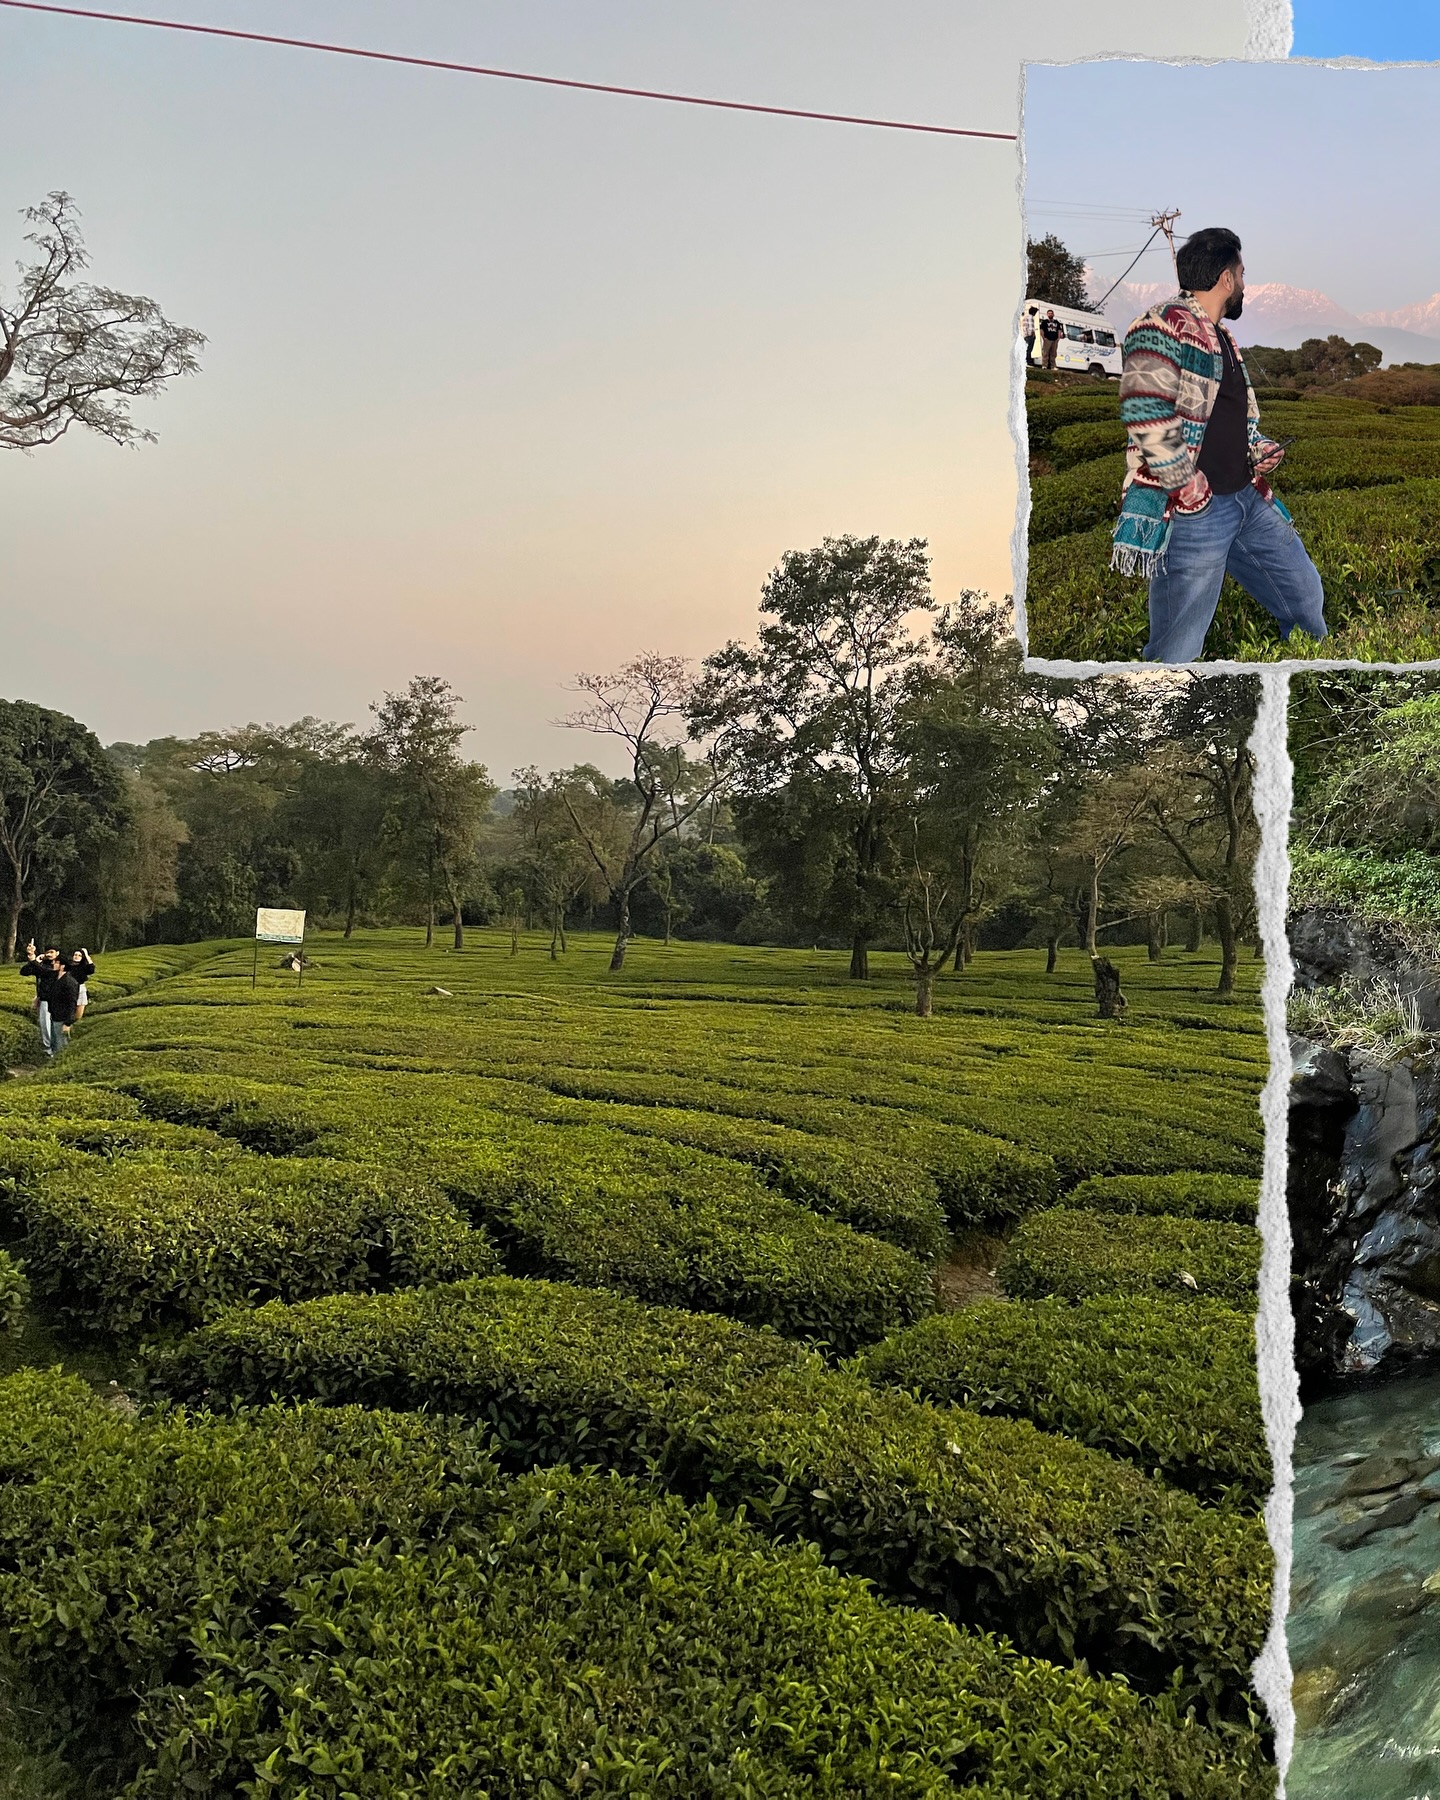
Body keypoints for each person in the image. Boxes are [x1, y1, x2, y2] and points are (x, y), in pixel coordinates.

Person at [1111, 225, 1328, 663]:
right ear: (1227, 279)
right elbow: (1143, 410)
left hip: (1246, 497)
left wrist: (1258, 448)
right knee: (1178, 644)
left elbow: (1231, 417)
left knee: (1304, 596)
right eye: (1243, 274)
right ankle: (1158, 721)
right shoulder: (1158, 324)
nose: (1245, 285)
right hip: (1196, 510)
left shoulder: (1223, 338)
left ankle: (1308, 684)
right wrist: (1189, 489)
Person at [68, 947, 95, 1020]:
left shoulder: (83, 967)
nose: (77, 956)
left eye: (79, 955)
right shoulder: (68, 966)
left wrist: (86, 954)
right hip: (69, 989)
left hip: (80, 988)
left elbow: (91, 969)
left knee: (80, 1008)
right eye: (75, 955)